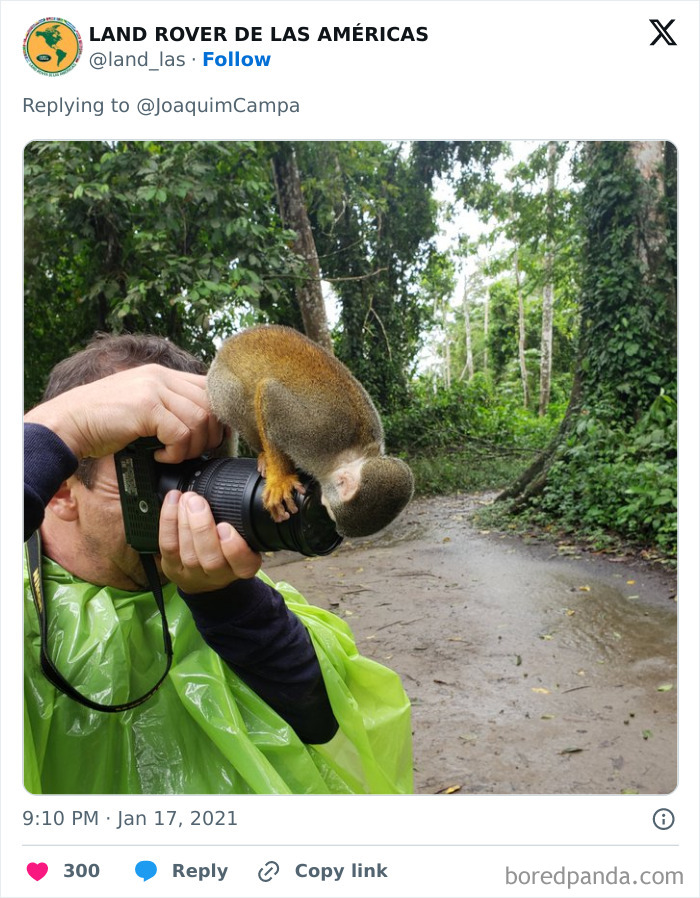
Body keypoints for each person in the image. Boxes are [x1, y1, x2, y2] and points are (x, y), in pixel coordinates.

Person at [24, 334, 413, 795]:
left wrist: (227, 604)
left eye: (209, 462)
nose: (198, 491)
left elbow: (335, 731)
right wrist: (52, 433)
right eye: (157, 468)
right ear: (62, 489)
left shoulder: (230, 574)